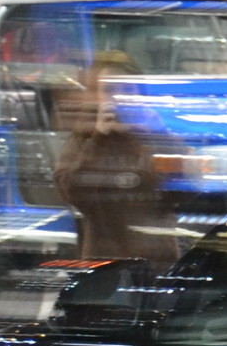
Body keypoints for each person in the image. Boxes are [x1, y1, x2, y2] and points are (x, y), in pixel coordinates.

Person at [52, 54, 179, 264]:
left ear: (140, 93)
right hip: (103, 264)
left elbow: (185, 193)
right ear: (97, 97)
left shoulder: (156, 134)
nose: (119, 97)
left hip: (157, 261)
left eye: (128, 89)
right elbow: (70, 193)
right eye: (109, 90)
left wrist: (159, 135)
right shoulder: (85, 137)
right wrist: (99, 137)